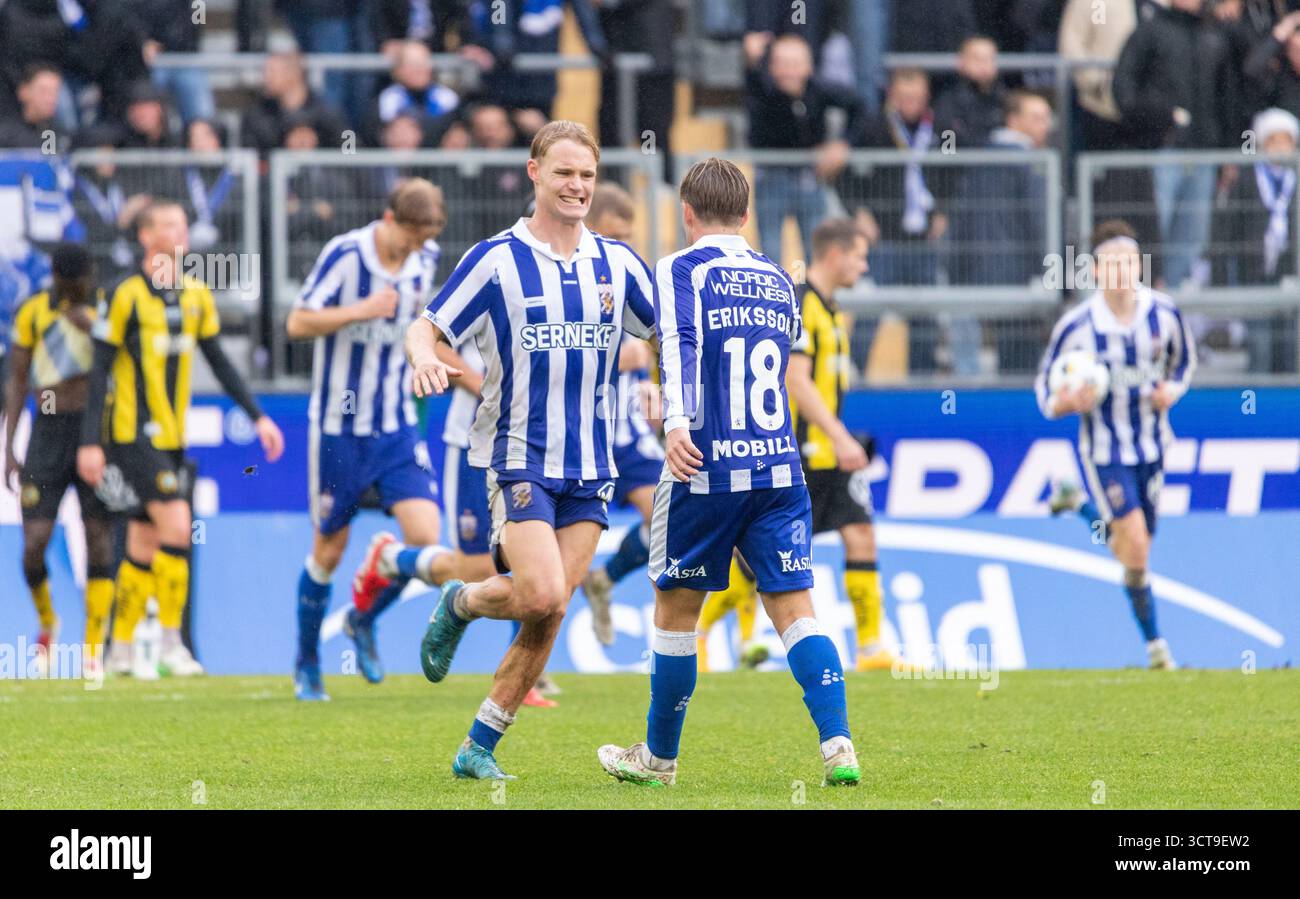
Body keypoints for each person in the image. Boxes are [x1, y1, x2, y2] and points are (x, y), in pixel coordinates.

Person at [363, 121, 657, 780]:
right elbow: (425, 326)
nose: (578, 186)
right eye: (564, 173)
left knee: (548, 606)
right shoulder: (497, 259)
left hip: (592, 465)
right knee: (543, 590)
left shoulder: (616, 263)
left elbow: (670, 328)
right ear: (534, 172)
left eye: (586, 175)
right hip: (519, 456)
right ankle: (462, 601)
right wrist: (421, 359)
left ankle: (478, 744)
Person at [597, 157, 859, 788]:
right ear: (746, 215)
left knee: (675, 610)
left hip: (707, 466)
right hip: (778, 466)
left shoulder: (679, 269)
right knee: (796, 609)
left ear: (686, 213)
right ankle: (838, 745)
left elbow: (680, 344)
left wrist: (677, 424)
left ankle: (659, 760)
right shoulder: (777, 278)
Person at [76, 200, 286, 678]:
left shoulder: (194, 294)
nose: (181, 232)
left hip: (172, 436)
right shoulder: (125, 294)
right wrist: (91, 442)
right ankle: (172, 644)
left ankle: (121, 648)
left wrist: (258, 417)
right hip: (131, 434)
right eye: (169, 224)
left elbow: (219, 361)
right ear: (147, 237)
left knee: (145, 540)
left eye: (183, 225)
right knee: (177, 525)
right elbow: (100, 372)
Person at [695, 218, 901, 673]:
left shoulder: (829, 307)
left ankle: (869, 649)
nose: (863, 266)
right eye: (859, 256)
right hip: (799, 451)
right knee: (757, 559)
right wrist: (840, 435)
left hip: (831, 453)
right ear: (835, 254)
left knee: (861, 534)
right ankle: (699, 632)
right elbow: (796, 379)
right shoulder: (801, 301)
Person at [286, 178, 464, 701]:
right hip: (339, 432)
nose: (415, 248)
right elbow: (298, 321)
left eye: (423, 240)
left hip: (394, 425)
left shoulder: (424, 258)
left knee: (426, 537)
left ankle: (362, 619)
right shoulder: (345, 255)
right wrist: (359, 310)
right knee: (328, 549)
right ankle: (307, 664)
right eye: (410, 237)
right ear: (389, 219)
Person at [1039, 220, 1196, 671]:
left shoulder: (1164, 314)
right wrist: (1063, 403)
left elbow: (1185, 362)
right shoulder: (1078, 327)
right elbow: (1045, 387)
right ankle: (1157, 648)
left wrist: (1173, 391)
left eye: (1129, 261)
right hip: (1105, 451)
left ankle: (1079, 506)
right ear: (1095, 271)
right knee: (1138, 547)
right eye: (1112, 263)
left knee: (1135, 554)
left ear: (1139, 265)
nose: (1122, 271)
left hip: (1153, 447)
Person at [3, 244, 114, 676]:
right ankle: (48, 621)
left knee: (98, 535)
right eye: (69, 282)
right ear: (55, 276)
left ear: (90, 275)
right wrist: (9, 445)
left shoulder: (103, 308)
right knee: (34, 543)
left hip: (93, 432)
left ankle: (92, 647)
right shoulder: (32, 313)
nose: (76, 289)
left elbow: (124, 361)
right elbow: (16, 381)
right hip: (47, 432)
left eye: (81, 281)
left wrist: (92, 327)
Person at [579, 183, 665, 646]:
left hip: (627, 429)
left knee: (665, 520)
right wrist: (617, 359)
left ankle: (607, 581)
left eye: (629, 235)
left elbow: (651, 342)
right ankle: (532, 665)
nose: (622, 244)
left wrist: (649, 390)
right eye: (615, 234)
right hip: (580, 427)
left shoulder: (628, 273)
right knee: (556, 550)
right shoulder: (567, 276)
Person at [1112, 0, 1239, 289]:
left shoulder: (1216, 35)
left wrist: (1229, 151)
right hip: (1162, 153)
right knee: (1153, 231)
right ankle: (1143, 299)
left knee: (1192, 238)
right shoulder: (1150, 30)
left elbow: (1229, 99)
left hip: (1204, 153)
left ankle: (1172, 305)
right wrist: (1159, 121)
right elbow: (1124, 90)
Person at [746, 33, 864, 262]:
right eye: (782, 64)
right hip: (771, 177)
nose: (789, 71)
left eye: (795, 64)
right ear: (771, 67)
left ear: (809, 67)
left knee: (816, 249)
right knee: (770, 253)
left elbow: (858, 106)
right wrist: (753, 63)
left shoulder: (818, 90)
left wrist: (842, 143)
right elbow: (754, 85)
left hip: (809, 178)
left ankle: (811, 296)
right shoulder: (764, 92)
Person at [932, 35, 1006, 150]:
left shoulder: (1005, 100)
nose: (983, 65)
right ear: (961, 62)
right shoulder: (948, 103)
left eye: (989, 59)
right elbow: (947, 149)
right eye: (976, 59)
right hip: (962, 165)